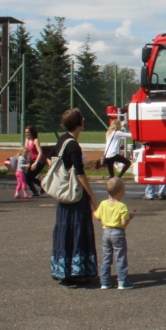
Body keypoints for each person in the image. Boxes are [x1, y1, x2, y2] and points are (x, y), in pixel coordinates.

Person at [50, 108, 99, 285]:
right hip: (75, 194)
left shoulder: (62, 141)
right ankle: (78, 270)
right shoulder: (72, 144)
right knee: (78, 229)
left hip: (64, 196)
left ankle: (64, 268)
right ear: (79, 123)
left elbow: (51, 160)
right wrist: (91, 194)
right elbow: (79, 172)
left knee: (66, 229)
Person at [94, 177, 134, 290]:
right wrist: (129, 217)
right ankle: (122, 281)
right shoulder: (122, 206)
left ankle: (105, 282)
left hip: (106, 232)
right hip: (118, 233)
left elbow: (97, 217)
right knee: (120, 257)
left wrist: (92, 210)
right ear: (121, 191)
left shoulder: (103, 204)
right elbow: (123, 222)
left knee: (106, 257)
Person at [24, 126, 45, 197]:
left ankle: (41, 187)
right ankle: (37, 190)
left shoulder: (36, 140)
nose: (27, 134)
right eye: (26, 132)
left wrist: (36, 163)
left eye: (28, 132)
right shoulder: (26, 140)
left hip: (39, 161)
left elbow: (40, 152)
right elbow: (26, 152)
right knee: (27, 177)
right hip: (32, 161)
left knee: (30, 176)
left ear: (32, 132)